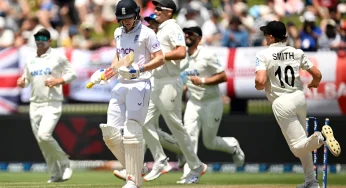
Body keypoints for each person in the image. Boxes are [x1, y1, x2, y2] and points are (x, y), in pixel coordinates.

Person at [255, 21, 341, 188]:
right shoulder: (296, 52)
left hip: (282, 102)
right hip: (299, 98)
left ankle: (322, 137)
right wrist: (314, 83)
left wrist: (259, 85)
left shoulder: (263, 55)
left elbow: (260, 81)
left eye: (266, 34)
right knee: (304, 142)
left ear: (272, 36)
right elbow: (317, 74)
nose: (265, 37)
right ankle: (311, 181)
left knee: (297, 148)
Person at [89, 0, 164, 187]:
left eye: (129, 18)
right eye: (122, 19)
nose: (126, 22)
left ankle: (133, 181)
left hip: (139, 85)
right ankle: (137, 167)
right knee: (110, 134)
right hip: (120, 84)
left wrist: (140, 69)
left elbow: (160, 58)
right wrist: (107, 73)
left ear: (137, 14)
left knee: (131, 133)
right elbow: (119, 57)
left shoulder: (147, 33)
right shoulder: (118, 32)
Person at [141, 0, 207, 184]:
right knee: (143, 121)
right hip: (157, 81)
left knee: (176, 128)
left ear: (169, 12)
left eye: (159, 9)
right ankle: (160, 160)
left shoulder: (172, 27)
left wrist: (160, 56)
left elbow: (181, 52)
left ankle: (196, 166)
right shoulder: (161, 29)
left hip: (169, 82)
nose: (156, 12)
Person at [179, 26, 245, 178]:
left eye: (191, 34)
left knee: (210, 142)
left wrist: (202, 80)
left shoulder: (207, 55)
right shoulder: (183, 56)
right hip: (193, 102)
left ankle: (233, 146)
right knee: (189, 136)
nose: (187, 36)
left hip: (211, 102)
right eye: (186, 33)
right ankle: (191, 174)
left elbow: (223, 76)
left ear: (199, 38)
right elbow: (184, 77)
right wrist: (182, 87)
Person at [17, 28, 76, 183]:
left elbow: (72, 73)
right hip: (34, 104)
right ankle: (55, 173)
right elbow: (26, 80)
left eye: (44, 38)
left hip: (52, 103)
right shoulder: (30, 59)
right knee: (42, 142)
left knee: (44, 135)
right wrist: (22, 82)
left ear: (49, 41)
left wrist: (58, 81)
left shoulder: (57, 57)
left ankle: (64, 162)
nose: (40, 40)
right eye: (37, 37)